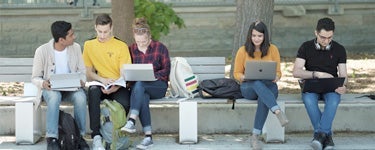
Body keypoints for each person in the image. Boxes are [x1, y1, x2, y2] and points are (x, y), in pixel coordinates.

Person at [31, 21, 89, 150]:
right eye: (71, 35)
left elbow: (83, 72)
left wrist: (81, 81)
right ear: (61, 40)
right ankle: (52, 138)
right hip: (51, 89)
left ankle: (79, 136)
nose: (74, 37)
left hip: (72, 88)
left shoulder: (76, 48)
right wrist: (43, 83)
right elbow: (35, 77)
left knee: (80, 98)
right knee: (54, 97)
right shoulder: (42, 51)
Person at [292, 17, 347, 150]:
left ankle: (320, 135)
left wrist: (344, 86)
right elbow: (296, 72)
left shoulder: (339, 49)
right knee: (309, 101)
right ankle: (327, 138)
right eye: (323, 37)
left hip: (331, 87)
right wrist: (316, 74)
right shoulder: (305, 47)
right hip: (311, 86)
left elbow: (344, 75)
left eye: (329, 37)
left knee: (333, 102)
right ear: (315, 33)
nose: (326, 41)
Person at [233, 20, 289, 150]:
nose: (256, 39)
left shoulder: (273, 49)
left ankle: (255, 137)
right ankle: (277, 110)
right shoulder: (242, 51)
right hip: (249, 87)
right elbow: (236, 73)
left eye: (259, 36)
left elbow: (278, 72)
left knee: (263, 98)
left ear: (265, 36)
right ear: (249, 36)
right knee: (256, 82)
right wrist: (245, 77)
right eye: (254, 36)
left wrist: (276, 77)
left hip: (269, 87)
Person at [82, 14, 132, 150]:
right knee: (92, 93)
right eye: (99, 31)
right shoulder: (89, 45)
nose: (102, 35)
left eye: (106, 32)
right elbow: (88, 72)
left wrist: (114, 86)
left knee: (126, 103)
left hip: (117, 85)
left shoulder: (121, 46)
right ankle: (97, 136)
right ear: (95, 28)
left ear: (111, 29)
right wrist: (102, 79)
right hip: (99, 83)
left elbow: (124, 73)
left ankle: (113, 134)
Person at [120, 17, 171, 150]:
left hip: (158, 86)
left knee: (141, 84)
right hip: (139, 90)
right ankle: (148, 137)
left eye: (144, 41)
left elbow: (166, 70)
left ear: (149, 37)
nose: (141, 44)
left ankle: (131, 120)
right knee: (141, 92)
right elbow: (128, 69)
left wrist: (152, 76)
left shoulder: (160, 48)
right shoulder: (131, 49)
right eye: (138, 41)